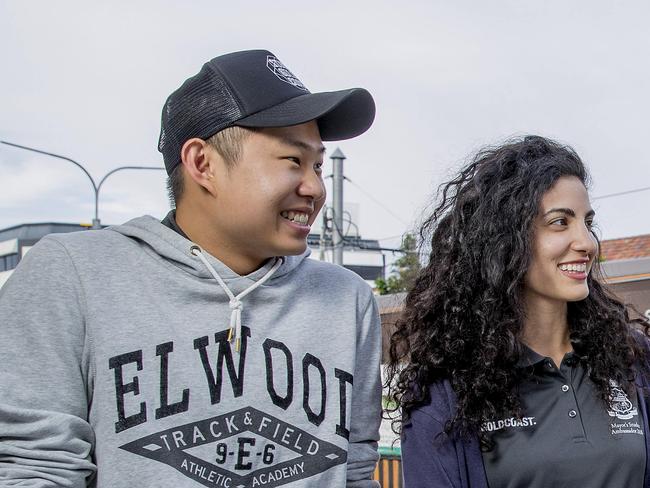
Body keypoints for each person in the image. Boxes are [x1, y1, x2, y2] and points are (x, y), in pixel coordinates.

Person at [0, 49, 382, 488]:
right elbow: (33, 469)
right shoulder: (72, 275)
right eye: (293, 161)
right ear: (202, 164)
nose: (315, 187)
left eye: (318, 164)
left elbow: (354, 471)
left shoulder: (348, 298)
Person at [386, 135, 650, 488]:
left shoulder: (631, 357)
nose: (586, 243)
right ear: (503, 240)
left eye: (588, 222)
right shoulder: (447, 388)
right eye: (560, 222)